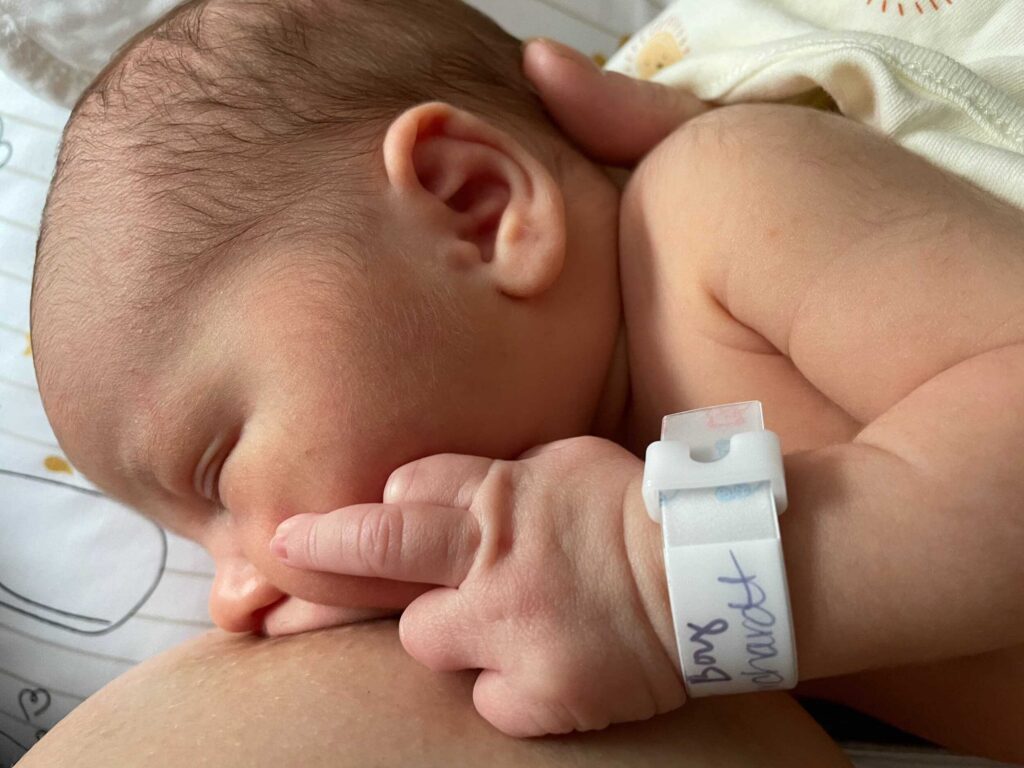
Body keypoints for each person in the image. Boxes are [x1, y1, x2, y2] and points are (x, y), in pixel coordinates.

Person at [27, 0, 1023, 761]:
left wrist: (668, 582)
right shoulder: (570, 566)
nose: (232, 597)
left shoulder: (723, 206)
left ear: (474, 206)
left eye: (214, 474)